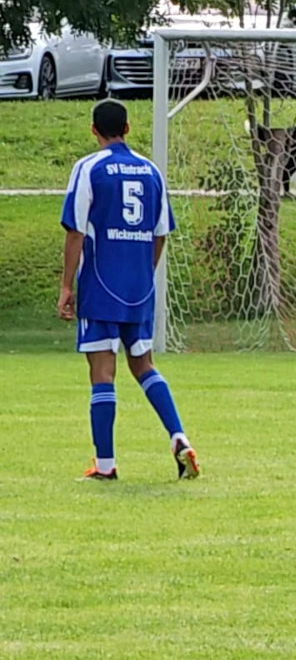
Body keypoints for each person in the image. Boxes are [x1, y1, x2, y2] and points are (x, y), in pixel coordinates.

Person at [58, 99, 199, 481]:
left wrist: (66, 286)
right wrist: (142, 274)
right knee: (144, 364)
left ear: (93, 130)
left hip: (100, 284)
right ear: (128, 127)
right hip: (138, 287)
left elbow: (75, 230)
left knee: (102, 372)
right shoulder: (151, 171)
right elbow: (161, 233)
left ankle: (105, 466)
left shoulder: (88, 168)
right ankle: (179, 436)